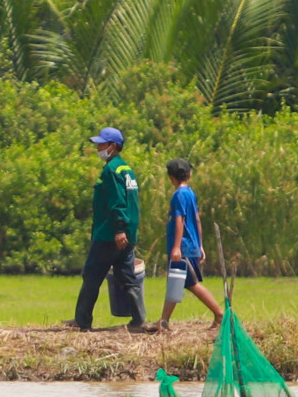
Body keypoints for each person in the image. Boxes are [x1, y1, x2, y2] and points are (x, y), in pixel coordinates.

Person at [66, 127, 150, 332]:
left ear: (113, 146)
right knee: (126, 276)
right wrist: (126, 230)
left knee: (91, 275)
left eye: (102, 144)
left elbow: (117, 202)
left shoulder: (111, 170)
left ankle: (82, 321)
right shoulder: (126, 169)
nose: (98, 148)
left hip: (110, 234)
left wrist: (118, 229)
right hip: (127, 233)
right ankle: (139, 320)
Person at [156, 159, 223, 332]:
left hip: (183, 247)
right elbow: (197, 220)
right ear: (189, 175)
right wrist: (200, 245)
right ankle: (163, 321)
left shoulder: (178, 195)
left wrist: (176, 247)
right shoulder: (190, 193)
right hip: (191, 244)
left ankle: (219, 314)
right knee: (176, 282)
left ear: (171, 177)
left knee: (191, 284)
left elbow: (180, 220)